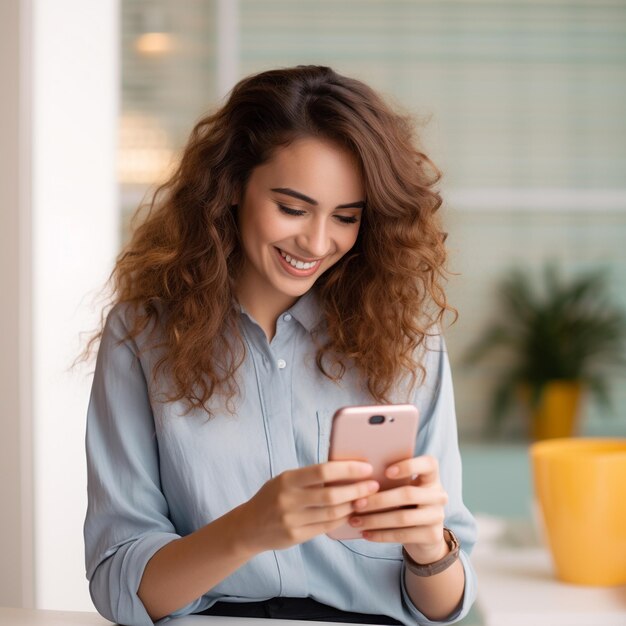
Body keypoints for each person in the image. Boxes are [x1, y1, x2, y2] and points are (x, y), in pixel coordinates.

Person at [83, 65, 477, 626]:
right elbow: (120, 589)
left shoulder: (409, 338)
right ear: (231, 186)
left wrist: (428, 546)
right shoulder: (141, 336)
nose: (318, 242)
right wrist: (248, 529)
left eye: (346, 218)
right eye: (292, 208)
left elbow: (445, 609)